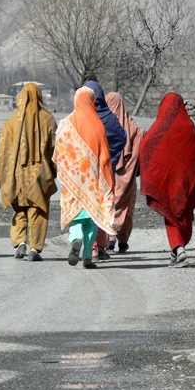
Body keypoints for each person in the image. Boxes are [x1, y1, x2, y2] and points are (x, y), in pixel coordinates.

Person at [53, 86, 116, 270]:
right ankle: (88, 256)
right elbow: (105, 156)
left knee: (75, 218)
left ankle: (75, 238)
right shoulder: (98, 126)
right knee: (92, 219)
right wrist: (107, 179)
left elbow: (59, 152)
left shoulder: (66, 124)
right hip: (94, 184)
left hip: (73, 183)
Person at [139, 93, 195, 267]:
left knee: (171, 214)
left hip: (167, 185)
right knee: (183, 214)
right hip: (185, 184)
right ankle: (177, 250)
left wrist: (149, 174)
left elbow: (146, 148)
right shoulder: (190, 127)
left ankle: (179, 249)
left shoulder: (159, 128)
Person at [0, 83, 57, 261]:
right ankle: (34, 249)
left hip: (15, 172)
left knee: (19, 208)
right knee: (38, 210)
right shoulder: (48, 119)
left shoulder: (12, 120)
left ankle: (20, 241)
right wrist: (53, 171)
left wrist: (4, 173)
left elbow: (3, 149)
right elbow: (54, 150)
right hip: (38, 173)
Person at [82, 80, 126, 261]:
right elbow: (121, 138)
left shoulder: (81, 116)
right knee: (102, 208)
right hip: (106, 172)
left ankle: (90, 247)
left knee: (87, 208)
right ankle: (100, 246)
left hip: (85, 173)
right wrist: (110, 157)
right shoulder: (110, 118)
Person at [105, 92, 145, 253]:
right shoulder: (134, 128)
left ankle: (109, 238)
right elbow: (140, 150)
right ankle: (123, 240)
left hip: (109, 174)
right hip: (127, 176)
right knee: (126, 206)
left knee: (109, 204)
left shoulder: (105, 124)